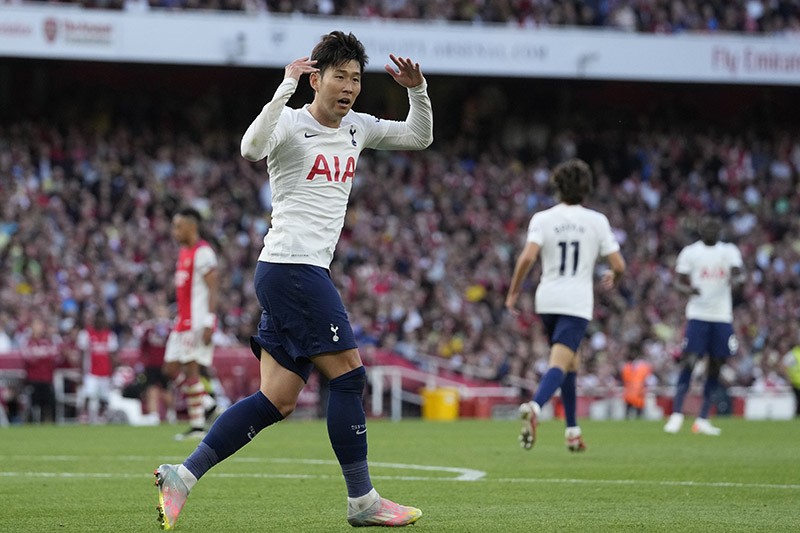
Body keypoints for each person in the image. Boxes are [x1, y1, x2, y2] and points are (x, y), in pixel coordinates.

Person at [153, 30, 433, 530]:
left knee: (276, 400)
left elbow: (419, 136)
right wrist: (284, 86)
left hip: (295, 272)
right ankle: (363, 500)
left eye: (356, 79)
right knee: (349, 376)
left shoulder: (358, 128)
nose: (349, 87)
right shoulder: (289, 122)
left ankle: (183, 475)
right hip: (291, 267)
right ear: (316, 79)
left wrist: (418, 90)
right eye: (340, 76)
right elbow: (250, 148)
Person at [505, 158, 626, 452]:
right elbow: (619, 264)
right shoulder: (596, 221)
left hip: (547, 299)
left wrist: (513, 292)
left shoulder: (543, 218)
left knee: (572, 361)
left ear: (557, 188)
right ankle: (535, 407)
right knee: (559, 363)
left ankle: (572, 430)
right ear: (587, 189)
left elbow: (527, 257)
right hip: (576, 302)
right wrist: (615, 276)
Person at [663, 216, 745, 436]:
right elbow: (677, 280)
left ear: (720, 230)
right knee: (689, 360)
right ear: (700, 230)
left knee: (716, 364)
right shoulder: (691, 252)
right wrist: (687, 290)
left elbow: (739, 274)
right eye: (708, 227)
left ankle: (703, 418)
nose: (711, 231)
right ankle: (677, 414)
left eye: (715, 227)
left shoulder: (729, 251)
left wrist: (738, 281)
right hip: (698, 314)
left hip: (721, 315)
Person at [162, 207, 221, 440]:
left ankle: (197, 426)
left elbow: (213, 288)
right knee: (170, 368)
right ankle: (209, 405)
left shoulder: (203, 252)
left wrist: (209, 321)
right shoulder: (184, 252)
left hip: (196, 321)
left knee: (191, 370)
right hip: (182, 321)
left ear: (192, 226)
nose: (174, 231)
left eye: (179, 226)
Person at [77, 310, 119, 424]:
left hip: (105, 372)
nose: (100, 321)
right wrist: (81, 371)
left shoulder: (110, 335)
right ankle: (84, 415)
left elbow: (112, 355)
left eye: (102, 318)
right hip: (91, 372)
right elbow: (82, 354)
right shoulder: (86, 334)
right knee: (88, 394)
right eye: (98, 318)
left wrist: (112, 372)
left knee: (104, 397)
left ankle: (101, 416)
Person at [20, 317, 62, 423]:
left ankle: (49, 424)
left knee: (49, 405)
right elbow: (29, 359)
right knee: (33, 405)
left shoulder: (48, 342)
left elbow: (55, 358)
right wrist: (43, 356)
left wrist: (40, 355)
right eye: (36, 325)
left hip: (47, 379)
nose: (39, 328)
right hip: (34, 379)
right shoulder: (27, 342)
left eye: (40, 325)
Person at [137, 304, 174, 422]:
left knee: (166, 390)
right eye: (158, 311)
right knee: (151, 389)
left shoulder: (171, 328)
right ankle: (153, 415)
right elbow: (143, 347)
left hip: (166, 364)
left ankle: (171, 413)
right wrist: (142, 362)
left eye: (162, 311)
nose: (160, 314)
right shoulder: (148, 328)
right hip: (152, 364)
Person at [620, 350, 653, 419]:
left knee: (634, 412)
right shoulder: (642, 368)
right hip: (634, 393)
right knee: (633, 412)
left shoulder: (628, 367)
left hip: (635, 393)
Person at [779, 336, 800, 417]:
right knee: (797, 402)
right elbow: (783, 366)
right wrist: (788, 378)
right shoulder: (793, 354)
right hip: (796, 383)